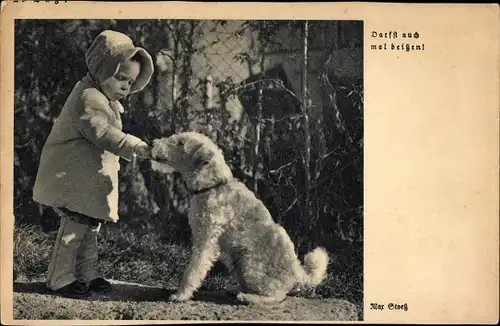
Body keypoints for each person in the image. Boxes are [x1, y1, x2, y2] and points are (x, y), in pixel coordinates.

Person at [32, 30, 155, 298]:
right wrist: (133, 145)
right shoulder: (88, 98)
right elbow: (101, 132)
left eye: (130, 82)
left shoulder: (104, 98)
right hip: (71, 175)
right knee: (75, 228)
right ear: (101, 69)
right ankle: (59, 278)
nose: (125, 86)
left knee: (90, 227)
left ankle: (87, 273)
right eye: (120, 78)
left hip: (86, 178)